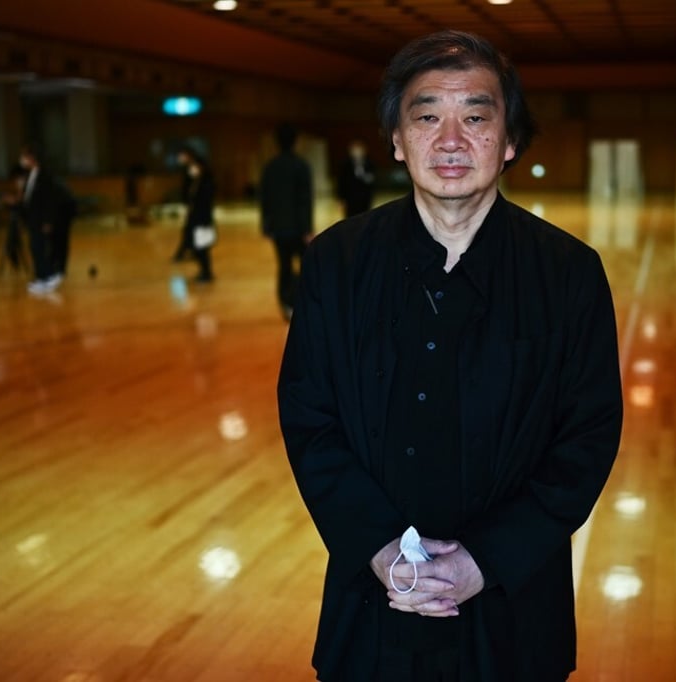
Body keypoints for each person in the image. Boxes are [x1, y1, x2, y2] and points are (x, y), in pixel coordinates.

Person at [278, 30, 623, 682]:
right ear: (397, 141)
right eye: (427, 116)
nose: (451, 139)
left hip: (514, 611)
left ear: (511, 139)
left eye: (476, 116)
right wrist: (380, 550)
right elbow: (309, 416)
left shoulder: (569, 273)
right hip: (372, 605)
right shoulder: (335, 262)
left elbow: (588, 436)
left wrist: (486, 559)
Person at [260, 122, 313, 318]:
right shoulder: (301, 165)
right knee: (306, 265)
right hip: (298, 228)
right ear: (295, 142)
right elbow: (305, 200)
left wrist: (266, 226)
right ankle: (303, 300)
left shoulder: (269, 167)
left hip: (278, 228)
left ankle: (285, 303)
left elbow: (264, 199)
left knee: (283, 265)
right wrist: (307, 228)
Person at [18, 144, 74, 295]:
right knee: (35, 248)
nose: (22, 160)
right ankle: (41, 278)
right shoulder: (30, 175)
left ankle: (47, 276)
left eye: (25, 157)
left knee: (40, 248)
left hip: (41, 219)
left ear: (31, 158)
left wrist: (48, 221)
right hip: (33, 219)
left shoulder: (45, 176)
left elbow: (49, 201)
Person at [178, 147, 216, 283]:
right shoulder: (195, 182)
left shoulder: (206, 183)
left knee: (202, 247)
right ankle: (204, 271)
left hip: (202, 219)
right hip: (196, 218)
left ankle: (206, 272)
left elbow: (204, 202)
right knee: (198, 247)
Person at [336, 139, 376, 217]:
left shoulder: (369, 163)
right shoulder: (345, 165)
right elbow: (341, 182)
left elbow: (373, 180)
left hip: (365, 199)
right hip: (350, 200)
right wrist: (340, 198)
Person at [171, 147, 196, 262]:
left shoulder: (193, 167)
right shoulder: (188, 168)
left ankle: (182, 252)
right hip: (190, 204)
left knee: (189, 229)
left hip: (194, 205)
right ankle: (190, 251)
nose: (180, 158)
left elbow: (195, 186)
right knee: (190, 229)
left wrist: (191, 202)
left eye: (182, 156)